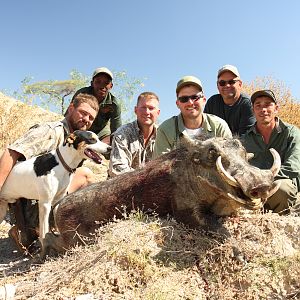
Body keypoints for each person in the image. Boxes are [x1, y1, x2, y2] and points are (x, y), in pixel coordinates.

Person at [0, 93, 100, 251]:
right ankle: (28, 228)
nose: (86, 119)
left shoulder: (75, 142)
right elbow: (11, 152)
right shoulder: (52, 131)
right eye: (83, 113)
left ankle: (35, 232)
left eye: (91, 118)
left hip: (40, 198)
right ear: (71, 108)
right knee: (85, 176)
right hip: (27, 201)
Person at [242, 89, 300, 215]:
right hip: (254, 188)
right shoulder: (244, 139)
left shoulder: (292, 132)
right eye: (258, 105)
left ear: (276, 108)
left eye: (268, 104)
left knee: (282, 188)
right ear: (253, 111)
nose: (263, 109)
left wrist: (264, 180)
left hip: (279, 183)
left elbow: (294, 166)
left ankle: (280, 217)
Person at [153, 75, 232, 158]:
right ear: (177, 104)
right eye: (184, 99)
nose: (190, 102)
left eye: (195, 97)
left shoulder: (219, 126)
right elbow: (161, 168)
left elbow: (231, 161)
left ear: (204, 100)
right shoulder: (165, 130)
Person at [108, 92, 160, 177]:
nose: (147, 112)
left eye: (151, 108)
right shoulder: (122, 134)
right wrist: (146, 179)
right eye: (143, 108)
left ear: (158, 112)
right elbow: (117, 169)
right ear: (136, 110)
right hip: (122, 186)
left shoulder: (163, 135)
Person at [71, 67, 122, 145]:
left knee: (107, 145)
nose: (102, 86)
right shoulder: (82, 94)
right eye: (98, 82)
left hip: (101, 133)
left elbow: (117, 130)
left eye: (106, 83)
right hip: (80, 128)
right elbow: (69, 114)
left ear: (111, 86)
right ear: (92, 83)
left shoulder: (114, 104)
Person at [204, 64, 255, 136]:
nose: (227, 85)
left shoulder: (247, 104)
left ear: (240, 84)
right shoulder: (212, 102)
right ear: (217, 86)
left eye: (231, 82)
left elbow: (245, 139)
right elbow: (204, 131)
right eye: (222, 83)